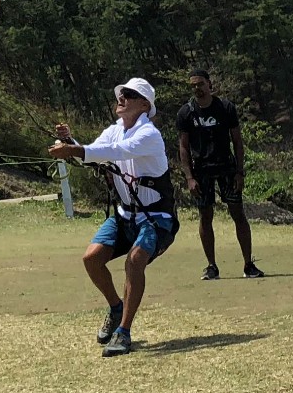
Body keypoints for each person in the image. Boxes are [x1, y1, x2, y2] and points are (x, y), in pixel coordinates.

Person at [49, 77, 176, 357]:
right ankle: (116, 308)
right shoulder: (114, 130)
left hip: (155, 217)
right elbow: (98, 152)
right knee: (91, 259)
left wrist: (72, 149)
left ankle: (124, 332)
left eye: (129, 95)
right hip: (124, 216)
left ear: (145, 105)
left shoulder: (149, 135)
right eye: (121, 93)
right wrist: (72, 142)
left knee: (134, 262)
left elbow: (116, 153)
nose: (121, 98)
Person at [175, 68, 260, 280]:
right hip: (201, 171)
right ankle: (211, 266)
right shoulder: (186, 113)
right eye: (193, 85)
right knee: (205, 216)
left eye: (201, 84)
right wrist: (189, 177)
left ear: (209, 84)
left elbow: (238, 141)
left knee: (238, 213)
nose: (197, 89)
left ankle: (248, 264)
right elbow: (183, 147)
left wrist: (240, 172)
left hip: (227, 168)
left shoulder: (226, 108)